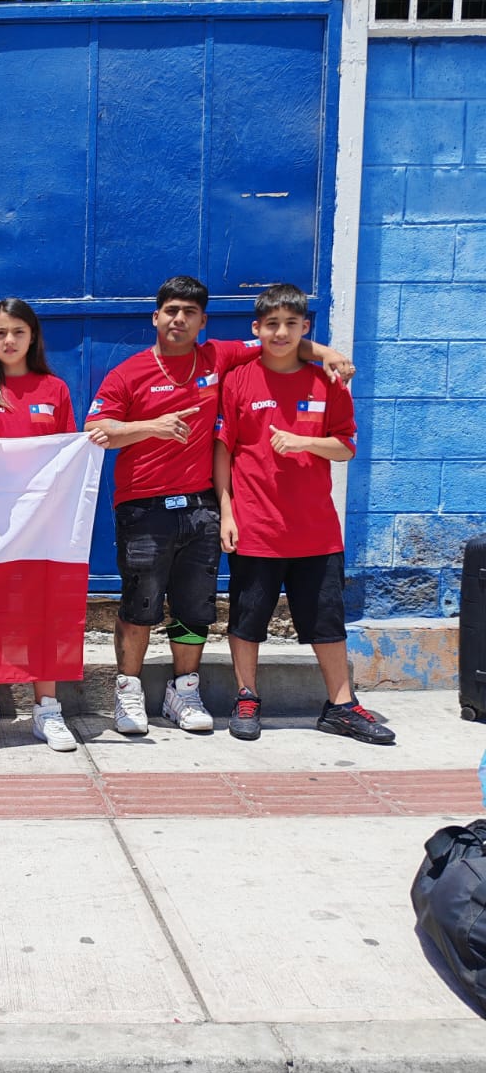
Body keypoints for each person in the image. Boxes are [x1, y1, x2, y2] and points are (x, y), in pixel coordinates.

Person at [86, 275, 353, 738]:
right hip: (143, 507)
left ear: (203, 322)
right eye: (171, 311)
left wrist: (327, 353)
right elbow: (98, 432)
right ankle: (128, 689)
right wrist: (151, 427)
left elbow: (281, 342)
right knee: (139, 605)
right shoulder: (127, 373)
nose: (179, 320)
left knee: (193, 609)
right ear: (156, 317)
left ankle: (182, 690)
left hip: (201, 508)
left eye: (189, 313)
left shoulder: (219, 357)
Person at [215, 284, 394, 745]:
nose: (281, 332)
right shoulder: (238, 379)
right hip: (256, 527)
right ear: (256, 329)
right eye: (271, 324)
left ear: (305, 328)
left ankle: (341, 705)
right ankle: (247, 696)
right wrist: (227, 512)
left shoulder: (326, 383)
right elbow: (223, 450)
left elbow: (346, 447)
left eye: (290, 324)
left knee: (327, 622)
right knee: (246, 617)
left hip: (316, 532)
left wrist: (303, 442)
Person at [0, 298, 78, 756]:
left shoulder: (55, 389)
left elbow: (69, 458)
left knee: (46, 615)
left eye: (17, 332)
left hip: (42, 524)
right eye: (0, 333)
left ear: (32, 337)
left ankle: (47, 710)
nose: (8, 341)